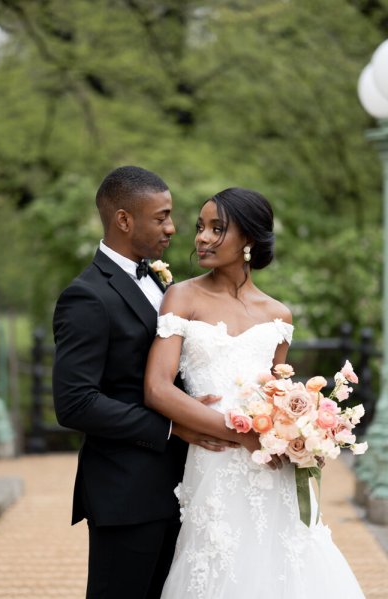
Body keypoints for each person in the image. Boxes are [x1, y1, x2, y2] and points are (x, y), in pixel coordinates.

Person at [144, 187, 365, 599]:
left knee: (283, 565)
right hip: (214, 460)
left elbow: (276, 391)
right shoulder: (182, 297)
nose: (202, 238)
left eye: (217, 229)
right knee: (217, 562)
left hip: (271, 465)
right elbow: (157, 388)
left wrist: (301, 434)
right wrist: (237, 434)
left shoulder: (278, 315)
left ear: (248, 239)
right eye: (200, 227)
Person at [52, 166, 239, 599]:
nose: (173, 228)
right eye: (162, 217)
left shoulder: (158, 279)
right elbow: (75, 403)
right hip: (128, 494)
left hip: (187, 484)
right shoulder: (87, 296)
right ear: (123, 219)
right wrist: (173, 427)